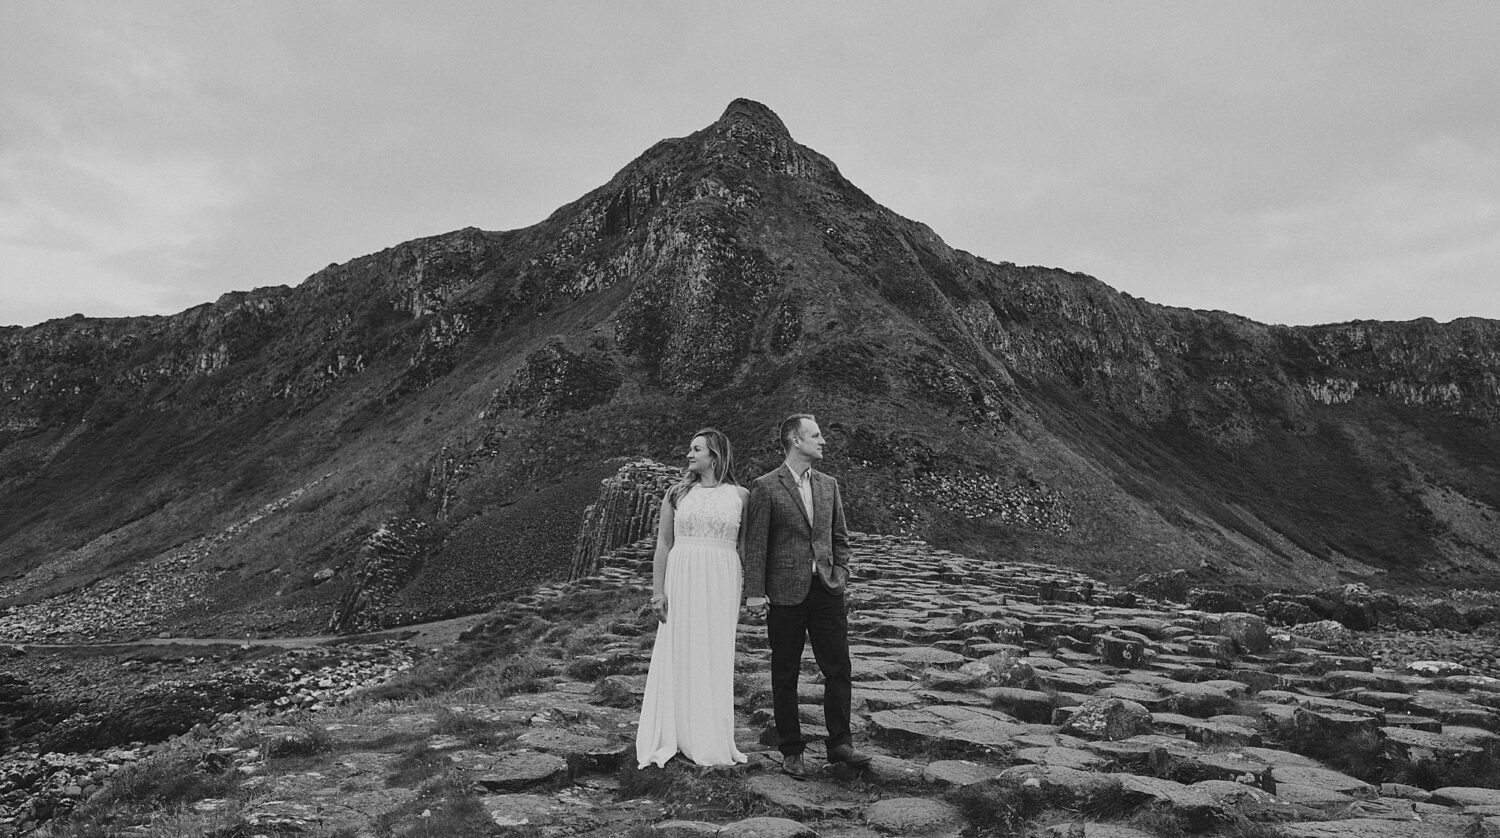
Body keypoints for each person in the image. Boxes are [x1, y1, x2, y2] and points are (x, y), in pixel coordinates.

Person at [743, 413, 872, 777]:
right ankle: (791, 749)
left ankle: (840, 744)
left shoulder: (829, 484)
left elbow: (840, 536)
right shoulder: (766, 486)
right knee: (785, 672)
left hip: (827, 590)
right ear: (795, 441)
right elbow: (756, 546)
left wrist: (841, 573)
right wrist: (755, 592)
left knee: (839, 668)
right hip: (785, 594)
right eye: (815, 436)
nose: (823, 441)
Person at [636, 428, 751, 768]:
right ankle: (675, 731)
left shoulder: (741, 496)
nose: (689, 454)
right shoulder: (676, 493)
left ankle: (708, 734)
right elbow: (663, 544)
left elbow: (744, 547)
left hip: (722, 576)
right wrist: (658, 592)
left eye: (696, 449)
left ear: (714, 456)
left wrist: (752, 590)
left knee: (713, 652)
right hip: (682, 574)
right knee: (680, 647)